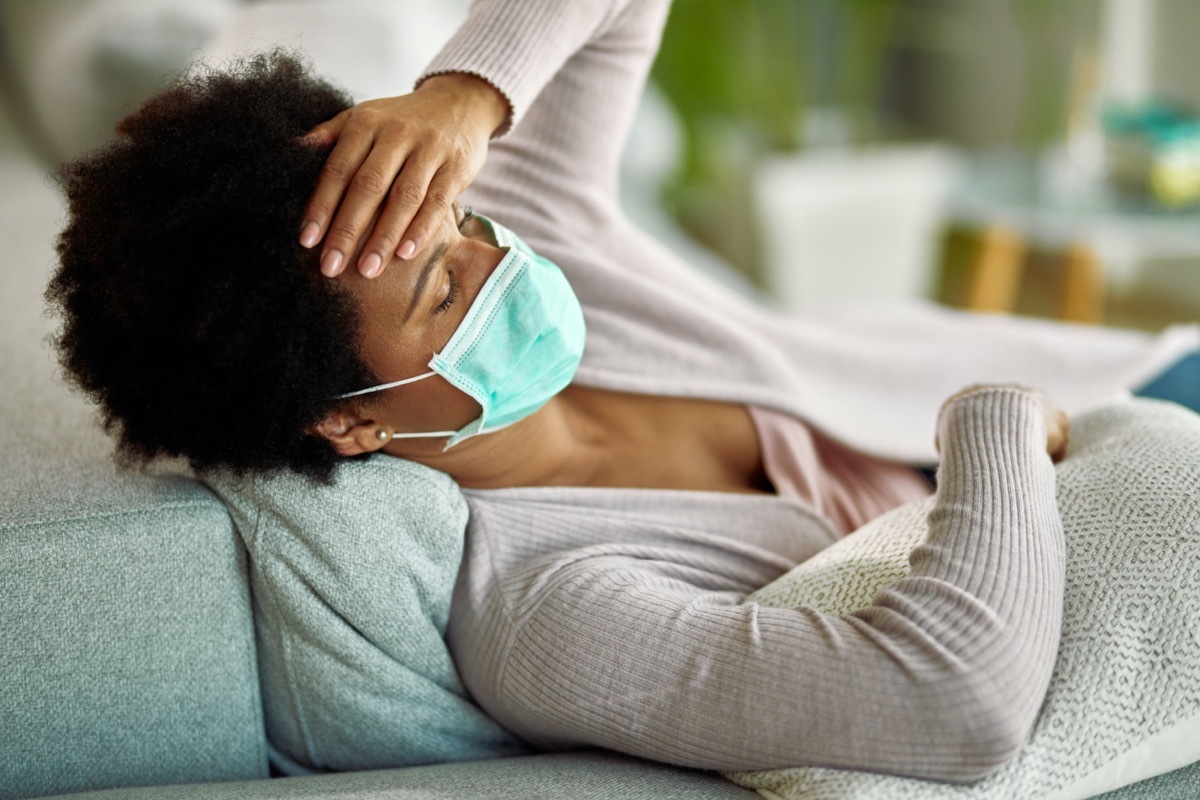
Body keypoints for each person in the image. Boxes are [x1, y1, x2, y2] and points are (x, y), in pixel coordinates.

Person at [45, 0, 1196, 784]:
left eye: (462, 220)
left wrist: (464, 98)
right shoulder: (546, 613)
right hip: (1063, 457)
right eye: (446, 292)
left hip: (1124, 374)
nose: (508, 262)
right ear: (349, 420)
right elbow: (953, 704)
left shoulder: (542, 222)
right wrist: (988, 416)